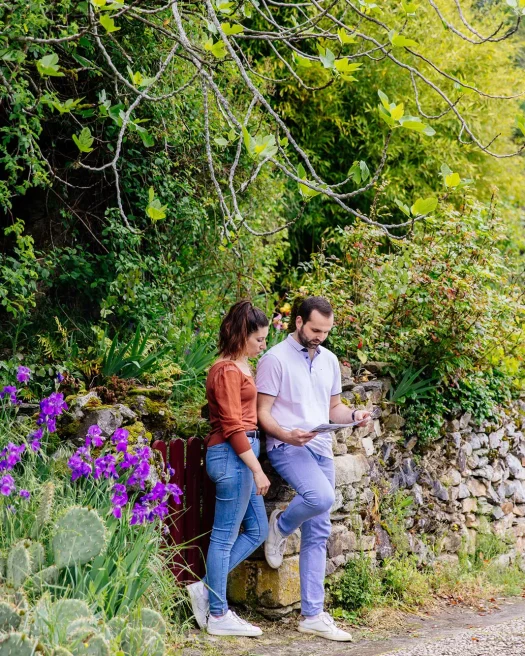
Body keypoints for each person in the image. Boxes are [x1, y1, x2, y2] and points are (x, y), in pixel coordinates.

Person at [256, 296, 371, 642]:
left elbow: (333, 407)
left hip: (321, 445)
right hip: (286, 446)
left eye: (326, 331)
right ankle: (282, 523)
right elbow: (263, 413)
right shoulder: (274, 359)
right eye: (315, 329)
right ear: (299, 322)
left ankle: (312, 615)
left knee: (319, 531)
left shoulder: (330, 360)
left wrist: (354, 416)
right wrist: (287, 435)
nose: (320, 336)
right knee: (320, 497)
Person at [187, 300, 271, 637]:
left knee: (257, 530)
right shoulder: (224, 370)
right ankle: (219, 615)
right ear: (240, 335)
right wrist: (257, 469)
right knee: (223, 539)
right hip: (234, 456)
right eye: (259, 339)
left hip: (243, 453)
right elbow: (233, 426)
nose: (263, 345)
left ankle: (205, 588)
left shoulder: (241, 366)